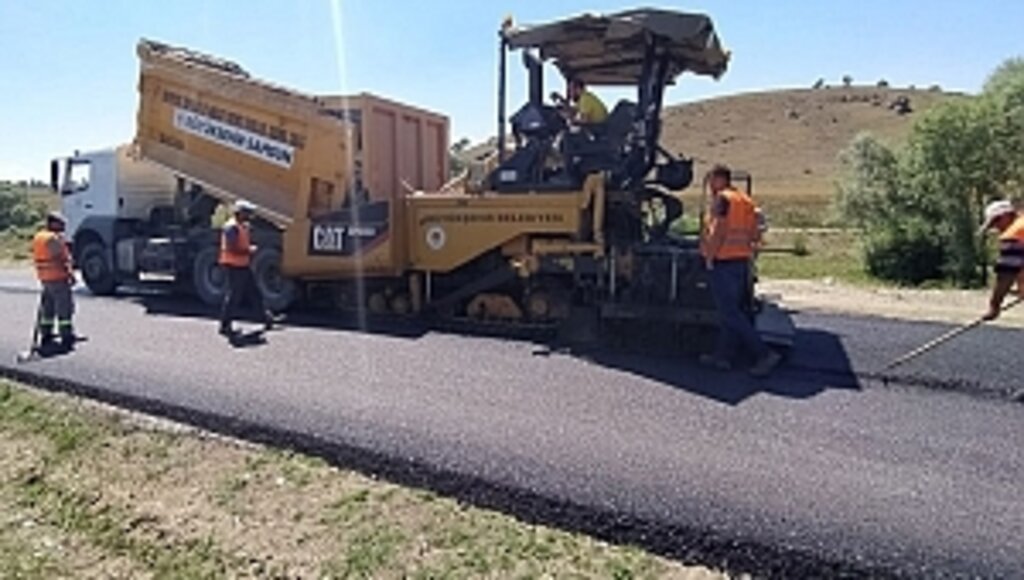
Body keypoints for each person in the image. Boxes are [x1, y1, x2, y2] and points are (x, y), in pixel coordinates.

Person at [699, 165, 781, 377]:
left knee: (730, 313)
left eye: (711, 181)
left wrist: (709, 256)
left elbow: (719, 230)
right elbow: (755, 232)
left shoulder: (723, 199)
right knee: (731, 312)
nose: (709, 187)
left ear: (719, 179)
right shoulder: (745, 200)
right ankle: (722, 356)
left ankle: (764, 354)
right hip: (740, 261)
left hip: (723, 262)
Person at [219, 200, 275, 336]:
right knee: (234, 296)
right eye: (247, 213)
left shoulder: (241, 226)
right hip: (233, 265)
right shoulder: (231, 227)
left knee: (254, 292)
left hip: (242, 264)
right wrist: (248, 251)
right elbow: (231, 248)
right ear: (240, 213)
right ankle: (225, 325)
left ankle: (265, 318)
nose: (250, 216)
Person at [32, 212, 77, 353]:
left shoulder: (39, 237)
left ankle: (46, 334)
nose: (63, 226)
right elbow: (60, 258)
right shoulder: (53, 239)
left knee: (48, 309)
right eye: (60, 223)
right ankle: (66, 336)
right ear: (52, 223)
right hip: (58, 278)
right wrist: (70, 274)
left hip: (45, 278)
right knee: (64, 309)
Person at [979, 200, 1024, 321]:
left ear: (1006, 216)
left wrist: (994, 306)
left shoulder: (1014, 234)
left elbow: (1006, 274)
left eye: (996, 222)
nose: (996, 228)